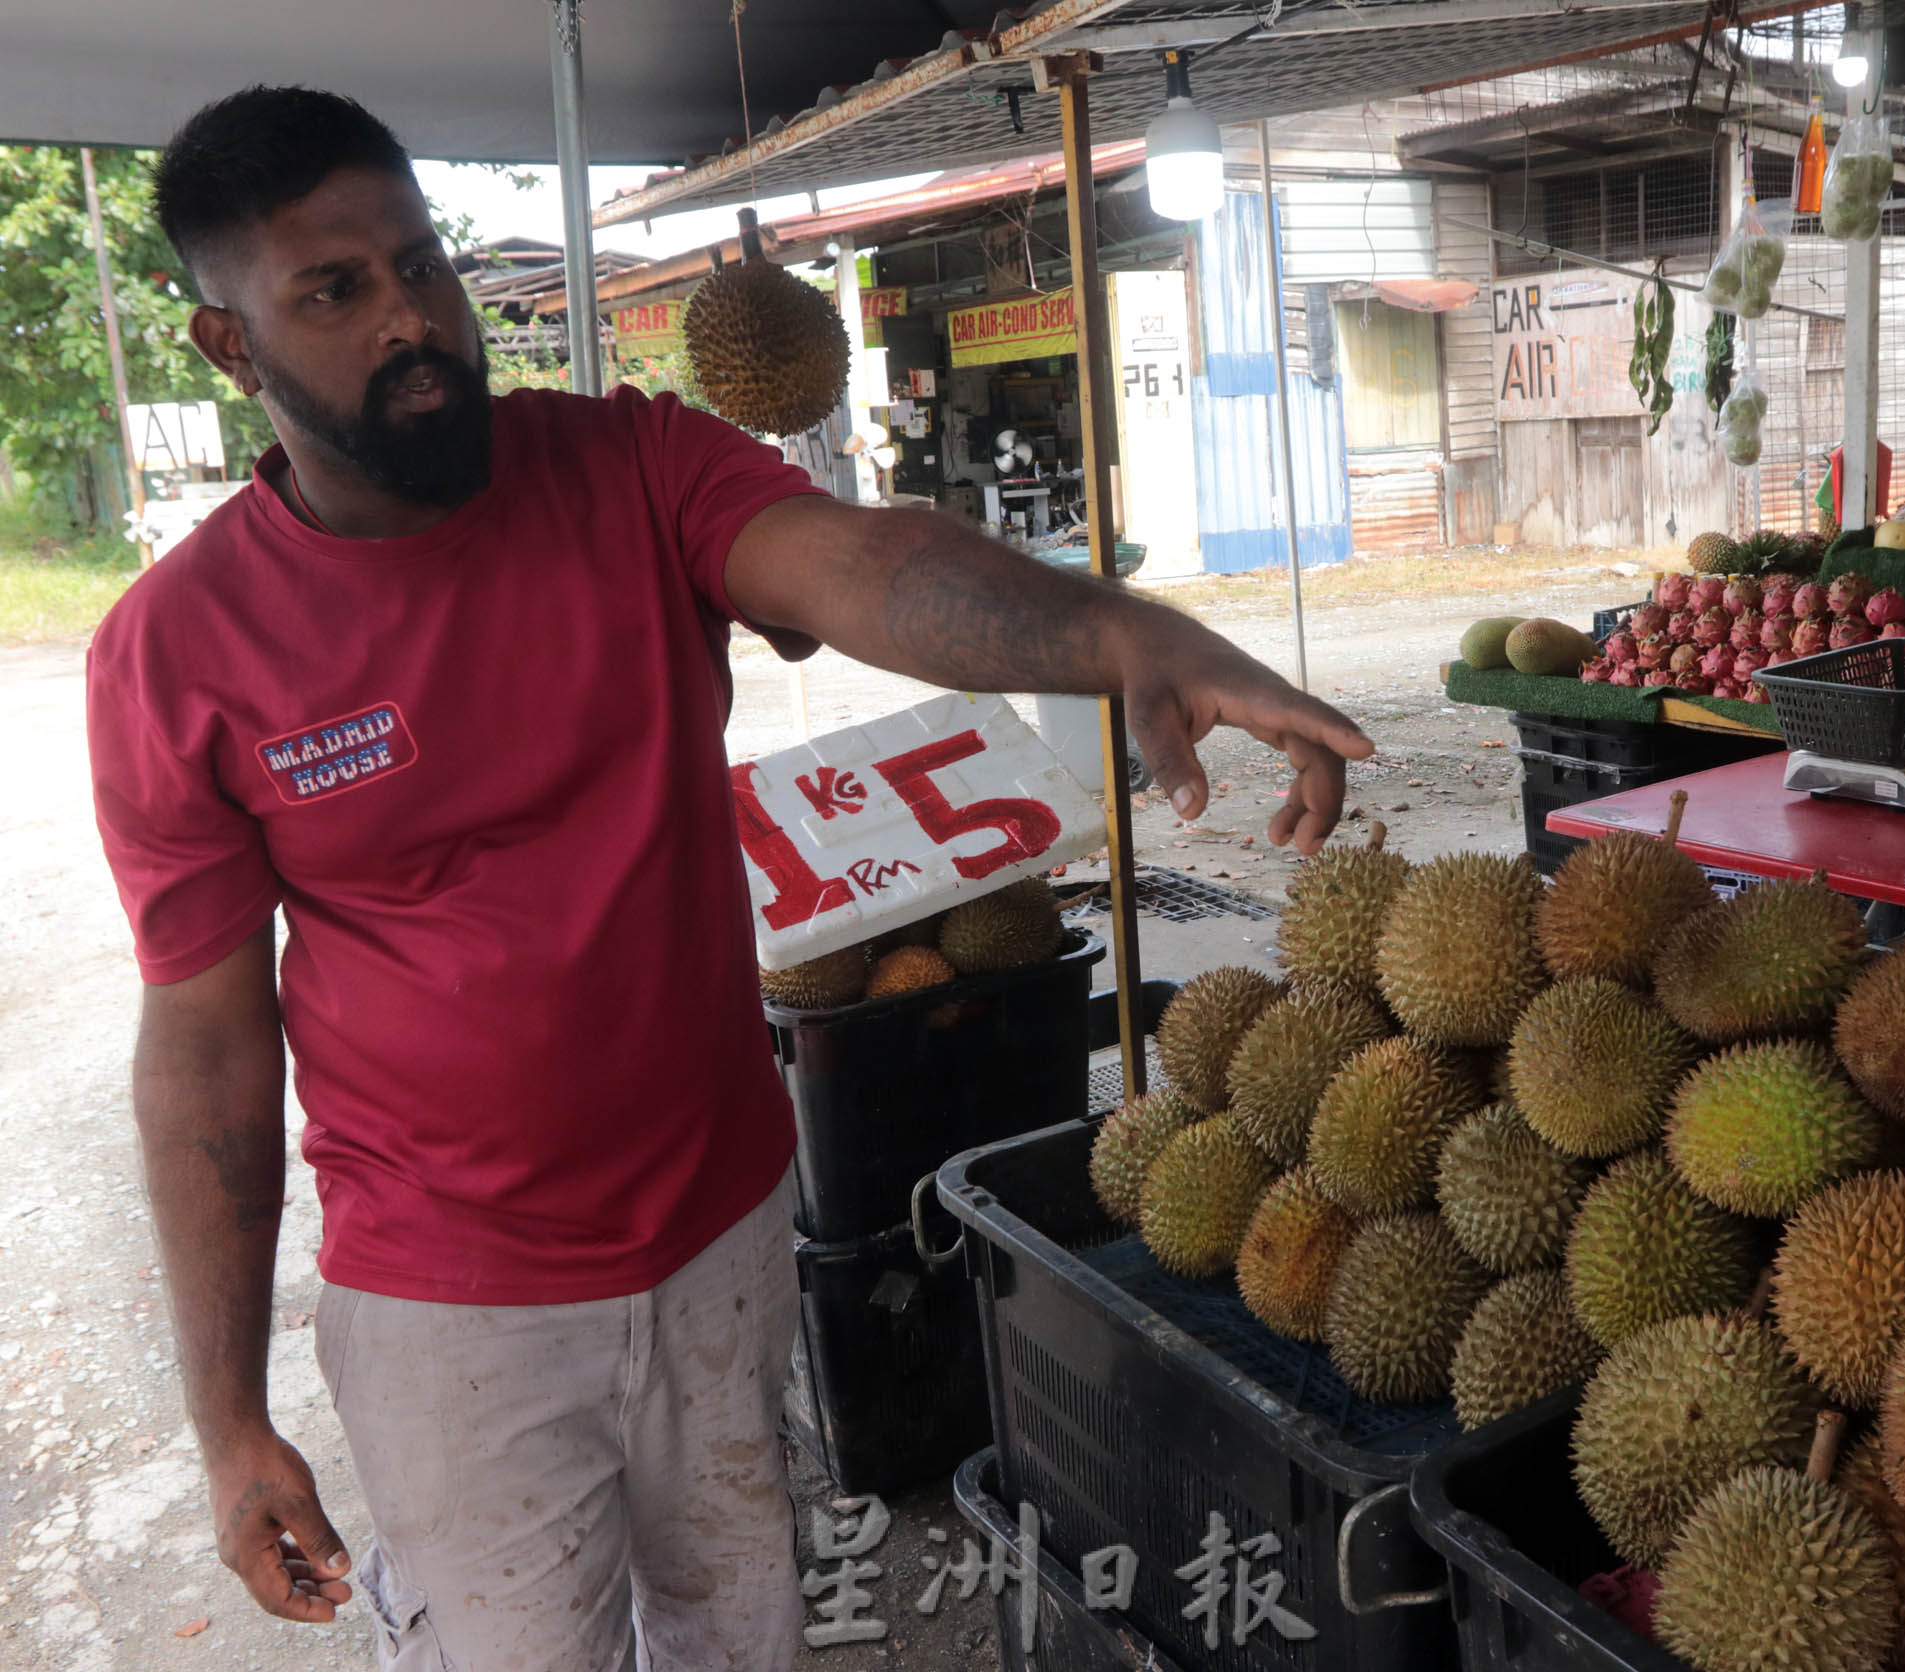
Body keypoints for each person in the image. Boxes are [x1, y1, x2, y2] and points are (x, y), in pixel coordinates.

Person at [85, 86, 1371, 1672]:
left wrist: (1121, 634)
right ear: (232, 346)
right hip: (452, 1305)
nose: (414, 320)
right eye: (336, 291)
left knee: (738, 1636)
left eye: (421, 265)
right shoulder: (178, 653)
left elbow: (863, 563)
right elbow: (205, 1051)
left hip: (721, 1230)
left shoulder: (628, 465)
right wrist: (225, 1420)